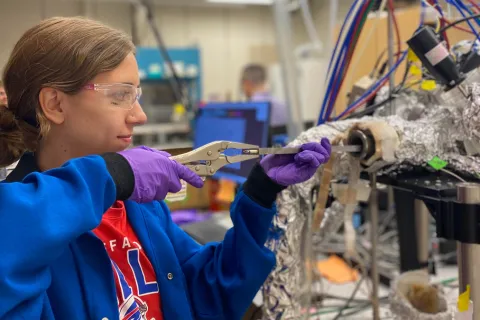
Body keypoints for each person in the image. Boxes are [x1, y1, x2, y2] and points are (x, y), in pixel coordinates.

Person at [0, 17, 332, 320]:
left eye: (138, 95)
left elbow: (207, 293)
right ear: (55, 104)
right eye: (120, 95)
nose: (139, 115)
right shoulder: (21, 223)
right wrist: (113, 173)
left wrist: (259, 194)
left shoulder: (139, 208)